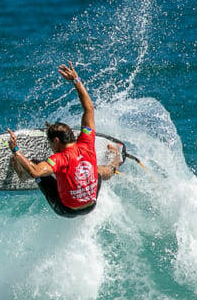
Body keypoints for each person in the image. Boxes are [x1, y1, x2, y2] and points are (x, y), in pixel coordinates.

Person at [7, 62, 121, 218]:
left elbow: (35, 172)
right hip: (92, 203)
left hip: (67, 209)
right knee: (96, 170)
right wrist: (76, 80)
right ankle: (114, 162)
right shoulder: (86, 142)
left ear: (56, 141)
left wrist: (16, 150)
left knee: (36, 166)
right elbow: (89, 109)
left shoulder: (59, 159)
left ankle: (20, 173)